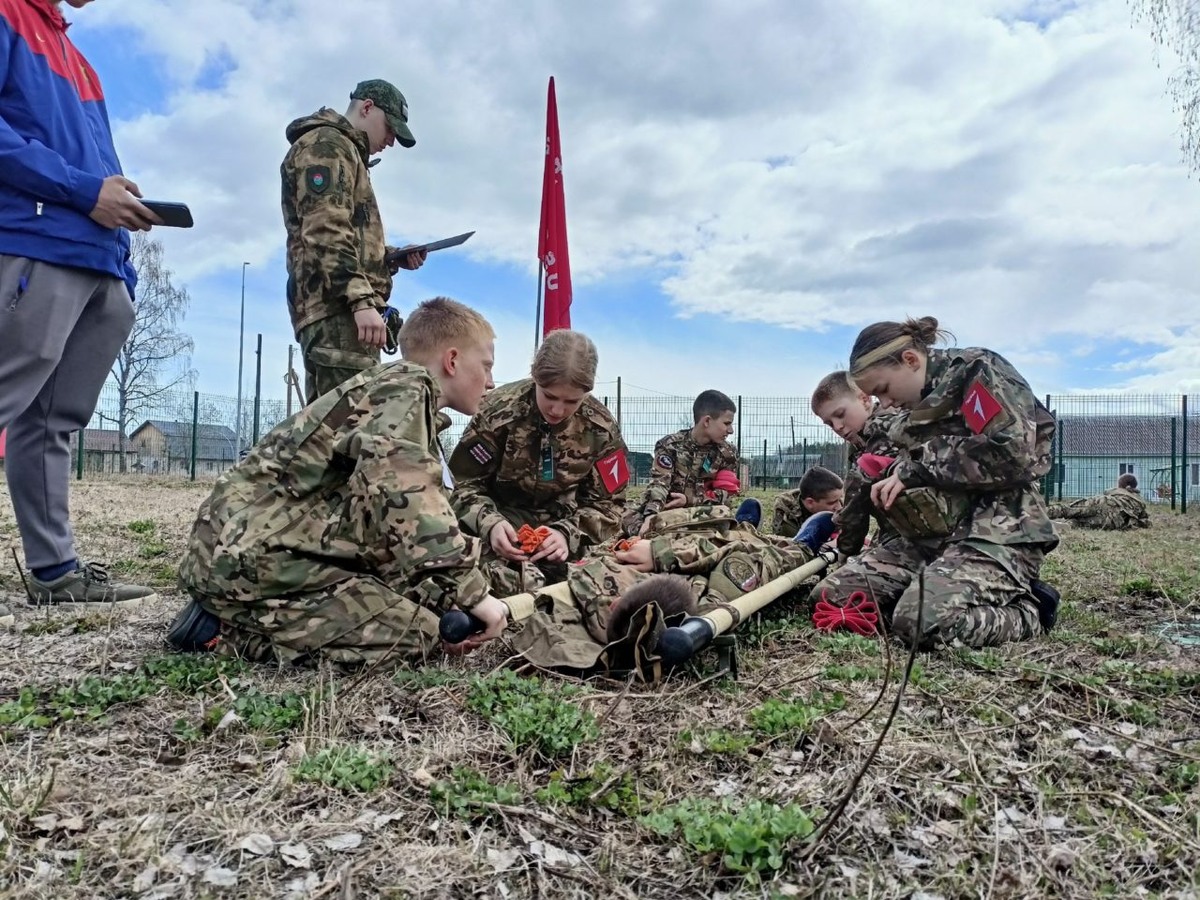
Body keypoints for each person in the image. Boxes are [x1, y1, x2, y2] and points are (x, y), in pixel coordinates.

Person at [167, 297, 509, 669]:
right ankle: (224, 631)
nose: (491, 382)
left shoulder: (393, 392)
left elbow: (385, 518)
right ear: (453, 360)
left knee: (424, 606)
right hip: (249, 560)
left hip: (259, 547)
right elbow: (404, 491)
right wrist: (474, 595)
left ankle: (249, 609)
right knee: (420, 636)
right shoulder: (407, 387)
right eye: (486, 366)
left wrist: (445, 588)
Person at [0, 0, 163, 626]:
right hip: (34, 245)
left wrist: (122, 257)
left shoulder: (82, 63)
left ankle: (55, 571)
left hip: (98, 259)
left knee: (54, 421)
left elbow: (99, 172)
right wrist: (81, 191)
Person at [810, 317, 1060, 650]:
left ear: (910, 360)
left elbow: (1016, 452)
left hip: (995, 534)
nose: (883, 404)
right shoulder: (909, 404)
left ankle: (1029, 610)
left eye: (883, 390)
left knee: (922, 624)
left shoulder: (977, 373)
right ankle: (933, 587)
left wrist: (917, 466)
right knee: (830, 597)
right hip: (927, 538)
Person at [508, 505, 831, 679]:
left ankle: (741, 523)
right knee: (759, 551)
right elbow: (749, 558)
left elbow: (597, 566)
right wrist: (666, 554)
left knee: (721, 535)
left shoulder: (592, 595)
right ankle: (780, 536)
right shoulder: (711, 599)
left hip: (662, 543)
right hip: (686, 553)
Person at [449, 330, 629, 596]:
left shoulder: (601, 429)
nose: (557, 410)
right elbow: (460, 485)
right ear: (535, 378)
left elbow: (610, 505)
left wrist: (567, 533)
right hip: (500, 522)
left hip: (561, 531)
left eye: (572, 402)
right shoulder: (498, 412)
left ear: (587, 393)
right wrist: (490, 523)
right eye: (549, 396)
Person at [282, 78, 428, 404]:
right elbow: (324, 231)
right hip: (339, 311)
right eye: (389, 128)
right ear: (366, 108)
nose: (390, 140)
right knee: (346, 434)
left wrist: (389, 258)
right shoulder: (327, 147)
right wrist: (361, 301)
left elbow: (341, 233)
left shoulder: (341, 150)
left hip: (340, 309)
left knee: (334, 433)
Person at [621, 389, 740, 537]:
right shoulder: (670, 446)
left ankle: (675, 535)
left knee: (723, 515)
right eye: (727, 423)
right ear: (707, 421)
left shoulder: (727, 453)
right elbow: (660, 484)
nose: (731, 430)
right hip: (668, 510)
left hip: (702, 512)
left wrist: (689, 500)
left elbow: (725, 495)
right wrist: (652, 514)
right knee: (627, 516)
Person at [1048, 474, 1150, 530]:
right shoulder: (1139, 501)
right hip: (1114, 521)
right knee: (1081, 523)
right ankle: (1067, 525)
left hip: (1105, 504)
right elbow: (1145, 521)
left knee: (1068, 510)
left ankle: (1041, 514)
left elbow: (1107, 492)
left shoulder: (1119, 491)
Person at [771, 466, 845, 538]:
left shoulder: (836, 499)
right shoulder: (787, 516)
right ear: (810, 503)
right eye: (831, 503)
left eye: (840, 499)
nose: (839, 507)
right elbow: (798, 546)